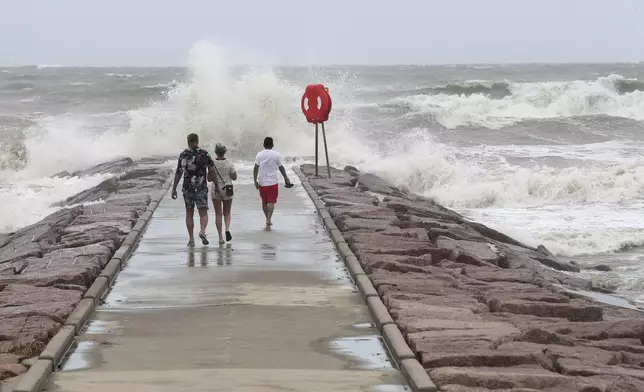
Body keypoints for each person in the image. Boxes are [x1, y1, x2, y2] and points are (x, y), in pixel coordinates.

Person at [171, 133, 216, 247]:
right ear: (197, 141)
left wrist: (174, 188)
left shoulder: (183, 155)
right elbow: (212, 170)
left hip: (187, 188)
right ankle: (203, 231)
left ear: (188, 142)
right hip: (201, 187)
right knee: (203, 212)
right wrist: (216, 184)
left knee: (189, 213)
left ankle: (191, 239)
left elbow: (178, 172)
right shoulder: (204, 153)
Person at [253, 137, 292, 231]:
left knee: (264, 202)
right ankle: (268, 219)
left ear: (264, 144)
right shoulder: (276, 155)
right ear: (272, 145)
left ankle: (267, 218)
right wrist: (286, 178)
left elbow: (255, 168)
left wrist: (255, 180)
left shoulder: (259, 155)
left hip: (262, 182)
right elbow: (281, 168)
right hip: (273, 182)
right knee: (271, 202)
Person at [211, 143, 237, 244]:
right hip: (227, 189)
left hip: (216, 189)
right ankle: (227, 229)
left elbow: (209, 178)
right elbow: (234, 177)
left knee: (218, 214)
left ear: (215, 152)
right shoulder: (229, 163)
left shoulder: (212, 163)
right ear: (225, 152)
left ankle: (220, 237)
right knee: (227, 212)